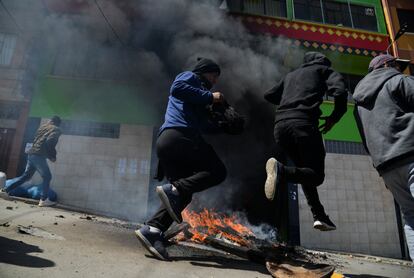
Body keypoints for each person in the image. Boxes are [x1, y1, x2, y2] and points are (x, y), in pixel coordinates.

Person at [135, 58, 227, 260]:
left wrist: (224, 126)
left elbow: (203, 125)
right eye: (214, 75)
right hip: (180, 136)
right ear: (204, 71)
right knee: (218, 171)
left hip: (172, 143)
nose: (215, 81)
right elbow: (177, 88)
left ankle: (152, 230)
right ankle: (174, 190)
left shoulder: (197, 97)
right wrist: (211, 97)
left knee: (183, 194)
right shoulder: (190, 77)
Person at [263, 52, 347, 231]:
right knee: (316, 175)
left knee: (305, 171)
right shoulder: (324, 70)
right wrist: (334, 118)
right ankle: (281, 171)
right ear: (322, 62)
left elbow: (269, 95)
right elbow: (339, 92)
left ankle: (320, 216)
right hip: (303, 125)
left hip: (280, 127)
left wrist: (291, 96)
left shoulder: (290, 76)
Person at [353, 54, 413, 263]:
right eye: (397, 65)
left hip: (387, 166)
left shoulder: (359, 102)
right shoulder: (399, 81)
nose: (400, 69)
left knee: (410, 216)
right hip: (410, 154)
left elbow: (365, 139)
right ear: (387, 65)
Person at [3, 116, 62, 207]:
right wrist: (52, 156)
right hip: (39, 156)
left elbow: (37, 139)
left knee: (26, 176)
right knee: (47, 176)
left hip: (31, 154)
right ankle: (44, 199)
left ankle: (4, 190)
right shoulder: (56, 129)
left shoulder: (43, 127)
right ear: (58, 123)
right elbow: (50, 141)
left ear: (51, 121)